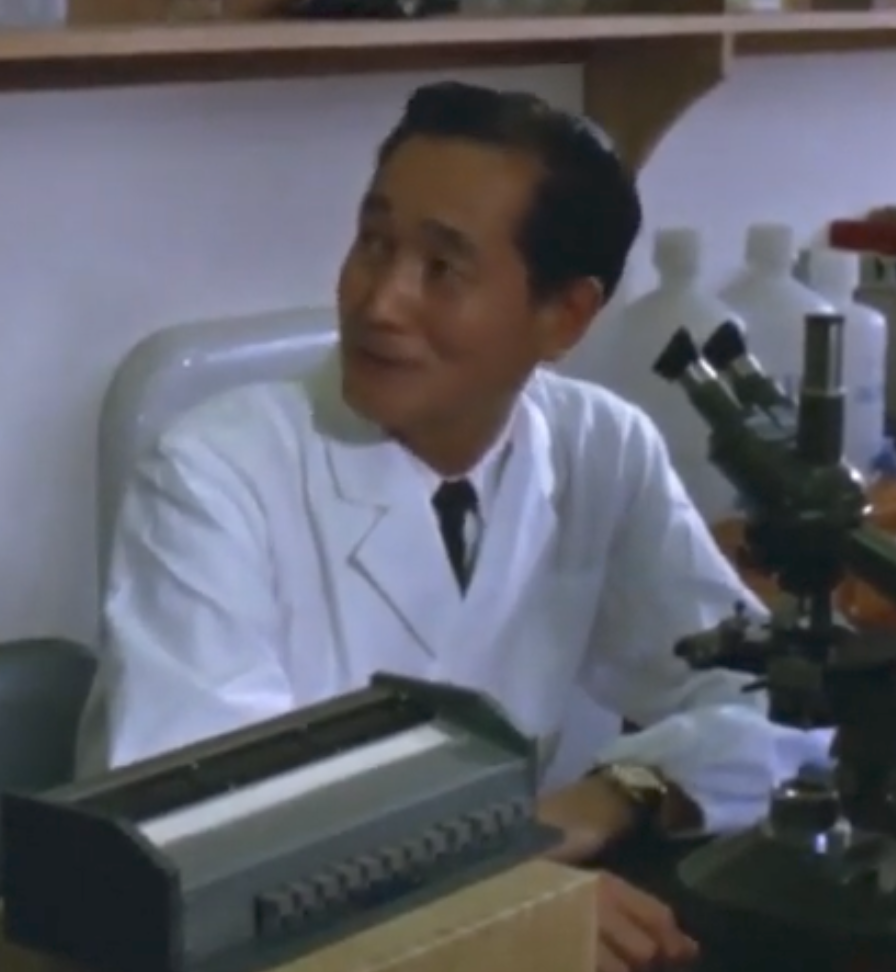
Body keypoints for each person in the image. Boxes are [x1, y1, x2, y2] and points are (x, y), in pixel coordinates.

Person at [77, 82, 830, 972]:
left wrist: (620, 790)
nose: (380, 301)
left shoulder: (599, 446)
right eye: (373, 243)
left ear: (565, 316)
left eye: (442, 269)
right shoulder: (214, 472)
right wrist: (493, 883)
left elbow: (774, 702)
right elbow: (203, 824)